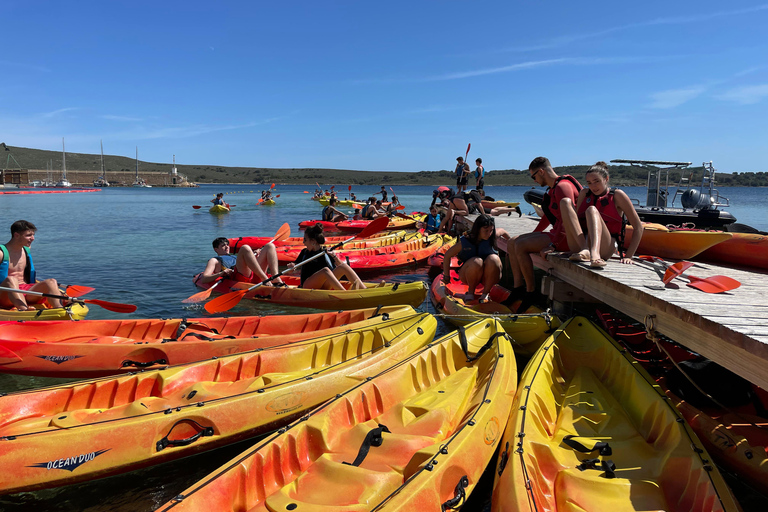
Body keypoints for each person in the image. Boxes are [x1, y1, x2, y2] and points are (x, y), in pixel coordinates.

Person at [506, 157, 582, 313]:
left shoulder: (563, 187)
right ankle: (518, 288)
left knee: (520, 245)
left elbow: (567, 220)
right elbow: (548, 217)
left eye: (534, 176)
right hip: (559, 233)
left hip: (569, 237)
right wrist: (531, 235)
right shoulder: (554, 189)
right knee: (513, 241)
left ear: (541, 171)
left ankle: (531, 292)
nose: (534, 181)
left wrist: (553, 246)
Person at [560, 161, 644, 268]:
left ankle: (594, 254)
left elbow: (638, 227)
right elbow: (575, 222)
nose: (593, 186)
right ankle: (585, 250)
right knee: (565, 202)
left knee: (591, 210)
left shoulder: (617, 195)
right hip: (582, 244)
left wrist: (629, 256)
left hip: (605, 247)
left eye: (596, 181)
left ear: (606, 179)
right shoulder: (584, 193)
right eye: (589, 182)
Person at [0, 220, 64, 310]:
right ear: (16, 235)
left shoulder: (26, 249)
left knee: (51, 281)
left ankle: (60, 309)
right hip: (6, 294)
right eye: (28, 235)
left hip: (26, 290)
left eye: (33, 235)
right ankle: (25, 310)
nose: (33, 238)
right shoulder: (1, 253)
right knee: (11, 279)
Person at [441, 215, 502, 303]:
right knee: (477, 261)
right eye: (486, 231)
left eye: (491, 230)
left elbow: (503, 232)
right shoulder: (466, 241)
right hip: (469, 275)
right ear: (478, 229)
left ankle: (485, 294)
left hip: (488, 276)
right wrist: (447, 276)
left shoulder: (492, 236)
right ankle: (470, 292)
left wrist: (511, 247)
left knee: (494, 259)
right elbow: (447, 256)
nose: (489, 233)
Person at [287, 223, 366, 290]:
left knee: (344, 266)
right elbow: (293, 269)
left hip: (325, 285)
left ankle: (364, 289)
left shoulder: (325, 252)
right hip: (308, 285)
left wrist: (334, 256)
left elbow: (340, 266)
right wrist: (292, 266)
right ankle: (344, 293)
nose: (304, 242)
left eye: (305, 240)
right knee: (325, 270)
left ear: (313, 241)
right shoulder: (304, 252)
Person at [198, 237, 282, 287]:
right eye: (223, 245)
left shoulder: (233, 256)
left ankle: (275, 277)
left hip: (254, 273)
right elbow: (204, 279)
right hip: (241, 276)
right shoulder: (214, 260)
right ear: (216, 249)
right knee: (245, 248)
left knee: (269, 246)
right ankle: (265, 279)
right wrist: (222, 273)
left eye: (227, 244)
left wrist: (255, 256)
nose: (227, 246)